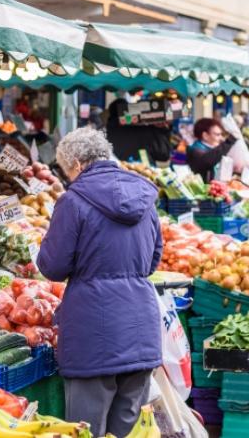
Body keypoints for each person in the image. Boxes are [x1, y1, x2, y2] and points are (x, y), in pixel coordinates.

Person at [36, 127, 162, 437]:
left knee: (86, 427)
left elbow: (53, 266)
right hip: (141, 326)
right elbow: (153, 260)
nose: (68, 178)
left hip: (93, 331)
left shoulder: (73, 201)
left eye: (66, 171)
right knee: (128, 428)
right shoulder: (144, 196)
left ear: (77, 164)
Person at [105, 98, 171, 163]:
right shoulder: (143, 129)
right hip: (140, 171)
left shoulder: (105, 131)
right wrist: (161, 129)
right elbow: (163, 154)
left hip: (114, 170)